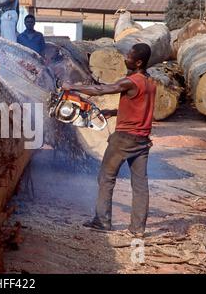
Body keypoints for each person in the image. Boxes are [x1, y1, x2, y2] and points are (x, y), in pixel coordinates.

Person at [60, 43, 156, 238]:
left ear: (138, 62)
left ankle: (102, 222)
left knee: (106, 178)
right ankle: (138, 229)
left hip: (124, 139)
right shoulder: (151, 82)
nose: (125, 59)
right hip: (142, 140)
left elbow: (102, 89)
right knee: (140, 185)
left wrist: (73, 87)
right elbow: (140, 107)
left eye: (129, 56)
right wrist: (113, 112)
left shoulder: (131, 81)